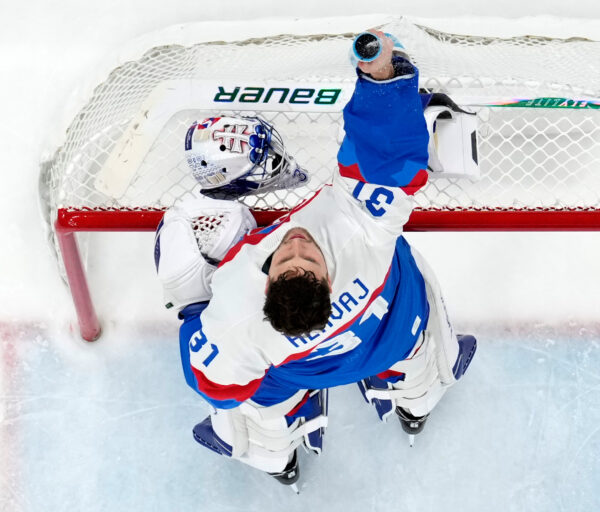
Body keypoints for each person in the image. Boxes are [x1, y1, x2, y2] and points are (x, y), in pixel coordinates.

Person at [154, 30, 476, 489]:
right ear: (329, 280)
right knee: (411, 302)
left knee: (260, 398)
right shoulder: (358, 238)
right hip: (388, 336)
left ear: (266, 286)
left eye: (288, 257)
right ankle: (416, 401)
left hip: (299, 366)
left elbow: (216, 386)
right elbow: (387, 160)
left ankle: (275, 454)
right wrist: (383, 80)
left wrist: (192, 308)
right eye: (308, 257)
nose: (297, 242)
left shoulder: (236, 316)